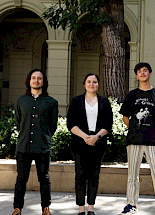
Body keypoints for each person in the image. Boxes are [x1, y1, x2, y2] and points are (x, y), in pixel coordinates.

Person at [119, 62, 155, 215]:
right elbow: (125, 117)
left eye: (145, 71)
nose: (142, 73)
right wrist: (136, 128)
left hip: (152, 141)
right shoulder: (132, 95)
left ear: (149, 73)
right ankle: (131, 204)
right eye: (139, 71)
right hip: (133, 141)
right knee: (132, 175)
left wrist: (152, 129)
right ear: (137, 75)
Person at [12, 69, 58, 215]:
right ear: (29, 80)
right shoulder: (20, 101)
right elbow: (19, 122)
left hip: (42, 147)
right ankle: (17, 208)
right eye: (33, 78)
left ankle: (46, 208)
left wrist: (44, 137)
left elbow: (53, 125)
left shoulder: (51, 102)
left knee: (44, 178)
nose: (36, 80)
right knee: (21, 178)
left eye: (39, 78)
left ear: (43, 82)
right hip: (23, 146)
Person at [67, 73, 113, 215]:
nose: (91, 84)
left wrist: (96, 137)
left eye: (94, 82)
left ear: (98, 85)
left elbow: (108, 124)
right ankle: (81, 208)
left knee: (94, 175)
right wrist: (85, 137)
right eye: (89, 82)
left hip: (98, 143)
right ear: (84, 84)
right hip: (80, 143)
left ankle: (91, 207)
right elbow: (71, 123)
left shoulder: (104, 102)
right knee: (80, 175)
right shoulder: (76, 101)